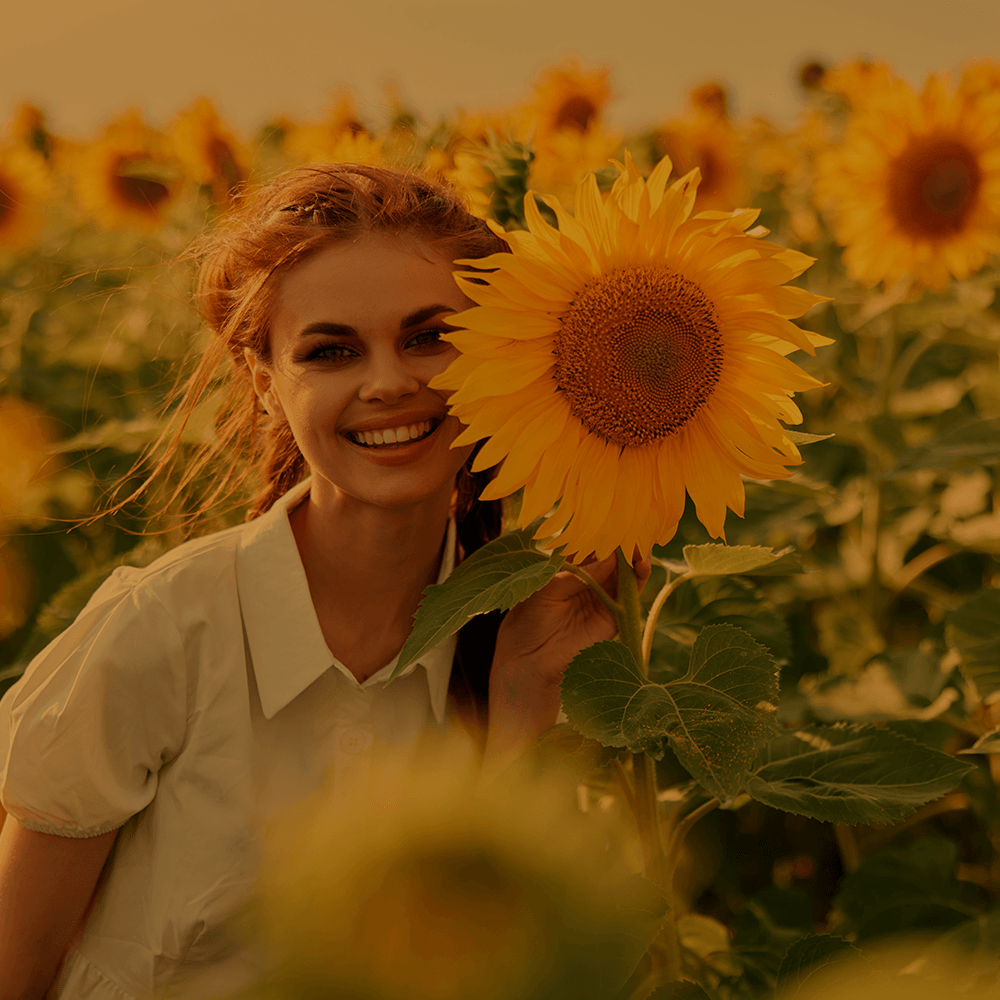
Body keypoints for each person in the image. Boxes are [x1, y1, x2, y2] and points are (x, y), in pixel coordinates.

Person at [0, 163, 649, 1000]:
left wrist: (522, 700)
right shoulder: (163, 630)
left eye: (429, 337)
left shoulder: (507, 635)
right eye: (332, 350)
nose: (389, 382)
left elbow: (481, 972)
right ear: (264, 381)